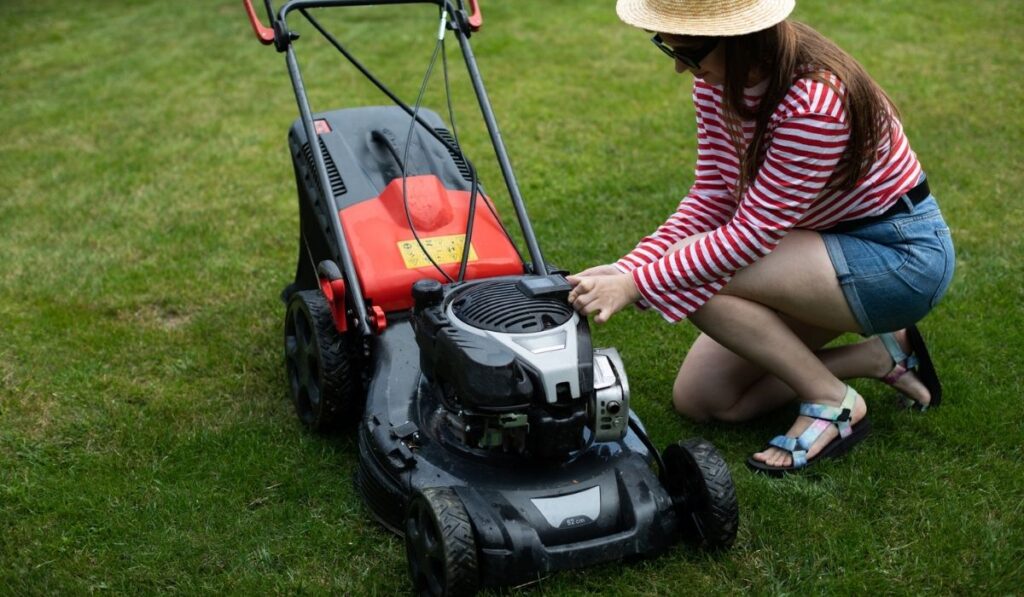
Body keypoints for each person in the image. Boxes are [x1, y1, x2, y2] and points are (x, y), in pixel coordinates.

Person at [567, 0, 955, 475]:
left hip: (898, 258)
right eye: (669, 47)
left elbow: (749, 236)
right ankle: (881, 354)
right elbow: (712, 196)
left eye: (688, 54)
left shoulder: (814, 101)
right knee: (708, 400)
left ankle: (833, 402)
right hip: (819, 249)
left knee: (696, 271)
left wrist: (637, 284)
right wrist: (630, 268)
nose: (678, 67)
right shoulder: (718, 81)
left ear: (738, 41)